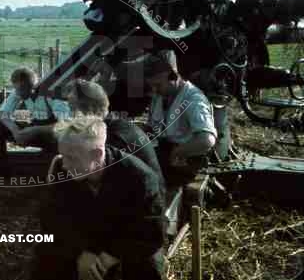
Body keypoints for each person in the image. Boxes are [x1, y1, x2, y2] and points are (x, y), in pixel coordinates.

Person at [32, 118, 167, 280]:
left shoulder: (140, 178)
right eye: (63, 156)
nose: (65, 165)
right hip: (86, 236)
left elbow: (152, 232)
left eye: (72, 158)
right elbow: (52, 220)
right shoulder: (63, 171)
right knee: (46, 255)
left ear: (97, 154)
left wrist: (109, 256)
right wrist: (82, 251)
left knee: (148, 266)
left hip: (123, 238)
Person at [64, 78, 163, 183]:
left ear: (90, 108)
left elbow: (99, 179)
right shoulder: (115, 124)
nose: (72, 116)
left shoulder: (113, 138)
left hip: (148, 197)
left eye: (73, 108)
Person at [144, 49, 217, 185]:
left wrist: (177, 152)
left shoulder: (193, 99)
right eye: (152, 85)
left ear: (173, 76)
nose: (154, 90)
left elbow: (207, 140)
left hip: (184, 163)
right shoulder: (160, 96)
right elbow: (154, 127)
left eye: (157, 85)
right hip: (163, 152)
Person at [0, 67, 71, 176]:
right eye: (16, 89)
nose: (18, 94)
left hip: (54, 138)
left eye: (21, 90)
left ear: (32, 87)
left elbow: (65, 124)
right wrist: (15, 131)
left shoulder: (52, 93)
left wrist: (35, 130)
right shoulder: (20, 90)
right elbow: (3, 114)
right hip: (35, 131)